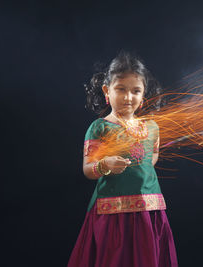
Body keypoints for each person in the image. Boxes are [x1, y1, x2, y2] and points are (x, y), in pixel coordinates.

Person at [68, 51, 178, 267]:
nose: (128, 97)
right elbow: (88, 169)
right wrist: (105, 165)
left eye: (135, 91)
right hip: (112, 214)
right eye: (121, 89)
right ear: (106, 90)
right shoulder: (100, 127)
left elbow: (152, 157)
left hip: (149, 213)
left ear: (144, 93)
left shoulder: (152, 128)